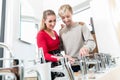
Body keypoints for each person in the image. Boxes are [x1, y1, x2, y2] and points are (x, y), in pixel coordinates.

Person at [36, 9, 74, 80]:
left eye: (54, 20)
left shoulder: (55, 32)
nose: (53, 24)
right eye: (50, 21)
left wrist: (63, 31)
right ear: (44, 21)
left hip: (59, 62)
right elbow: (45, 55)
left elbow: (59, 48)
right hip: (49, 65)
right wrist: (60, 58)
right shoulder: (41, 34)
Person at [58, 4, 96, 72]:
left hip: (83, 63)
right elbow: (61, 49)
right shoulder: (61, 31)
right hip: (69, 65)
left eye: (68, 16)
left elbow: (91, 42)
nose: (66, 20)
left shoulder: (81, 26)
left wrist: (86, 48)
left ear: (72, 13)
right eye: (63, 18)